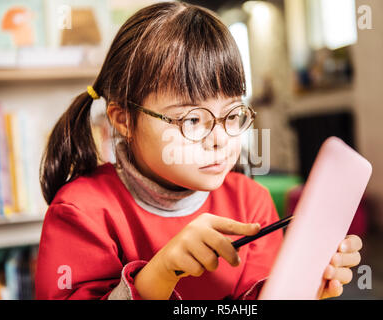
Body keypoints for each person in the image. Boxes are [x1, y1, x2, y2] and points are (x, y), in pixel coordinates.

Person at [35, 1, 362, 300]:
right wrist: (160, 273)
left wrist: (302, 288)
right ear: (124, 120)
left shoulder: (251, 203)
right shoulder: (80, 211)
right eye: (192, 119)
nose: (220, 138)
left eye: (233, 115)